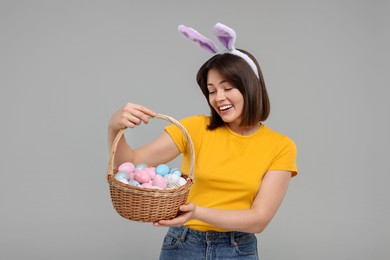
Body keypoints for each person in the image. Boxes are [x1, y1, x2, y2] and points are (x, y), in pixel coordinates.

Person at [107, 23, 297, 260]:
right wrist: (115, 129)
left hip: (237, 249)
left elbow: (259, 219)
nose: (219, 98)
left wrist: (198, 212)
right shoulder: (195, 128)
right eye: (211, 90)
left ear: (251, 88)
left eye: (228, 88)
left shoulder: (280, 146)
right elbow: (130, 164)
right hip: (182, 244)